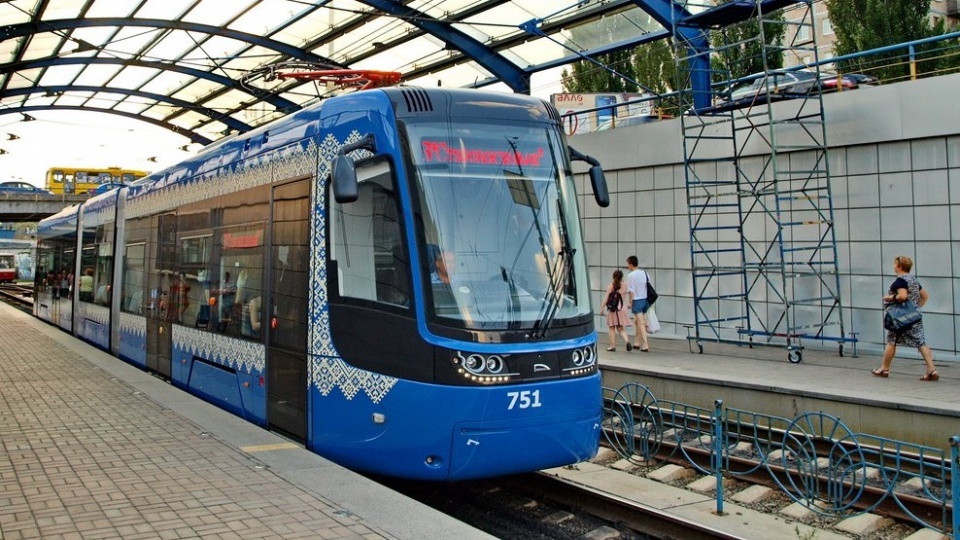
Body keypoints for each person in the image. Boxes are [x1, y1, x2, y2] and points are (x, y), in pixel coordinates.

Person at [872, 255, 938, 381]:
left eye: (895, 264)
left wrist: (890, 298)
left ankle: (884, 369)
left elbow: (902, 296)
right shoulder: (913, 279)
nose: (894, 266)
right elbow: (924, 296)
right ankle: (932, 370)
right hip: (914, 318)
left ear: (899, 266)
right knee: (921, 342)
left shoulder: (900, 281)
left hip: (900, 319)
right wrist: (916, 308)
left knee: (891, 341)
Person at [600, 269, 633, 352]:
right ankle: (627, 341)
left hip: (613, 309)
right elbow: (631, 292)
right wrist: (630, 302)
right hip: (622, 308)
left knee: (611, 328)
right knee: (620, 329)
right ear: (622, 277)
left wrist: (602, 307)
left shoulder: (611, 285)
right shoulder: (625, 285)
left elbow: (606, 297)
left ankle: (612, 346)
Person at [624, 255, 651, 352]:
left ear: (631, 264)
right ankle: (636, 342)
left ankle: (645, 344)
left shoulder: (631, 276)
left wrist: (630, 302)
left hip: (637, 300)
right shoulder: (645, 273)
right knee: (637, 321)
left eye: (628, 264)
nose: (628, 266)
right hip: (645, 300)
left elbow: (631, 290)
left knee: (640, 323)